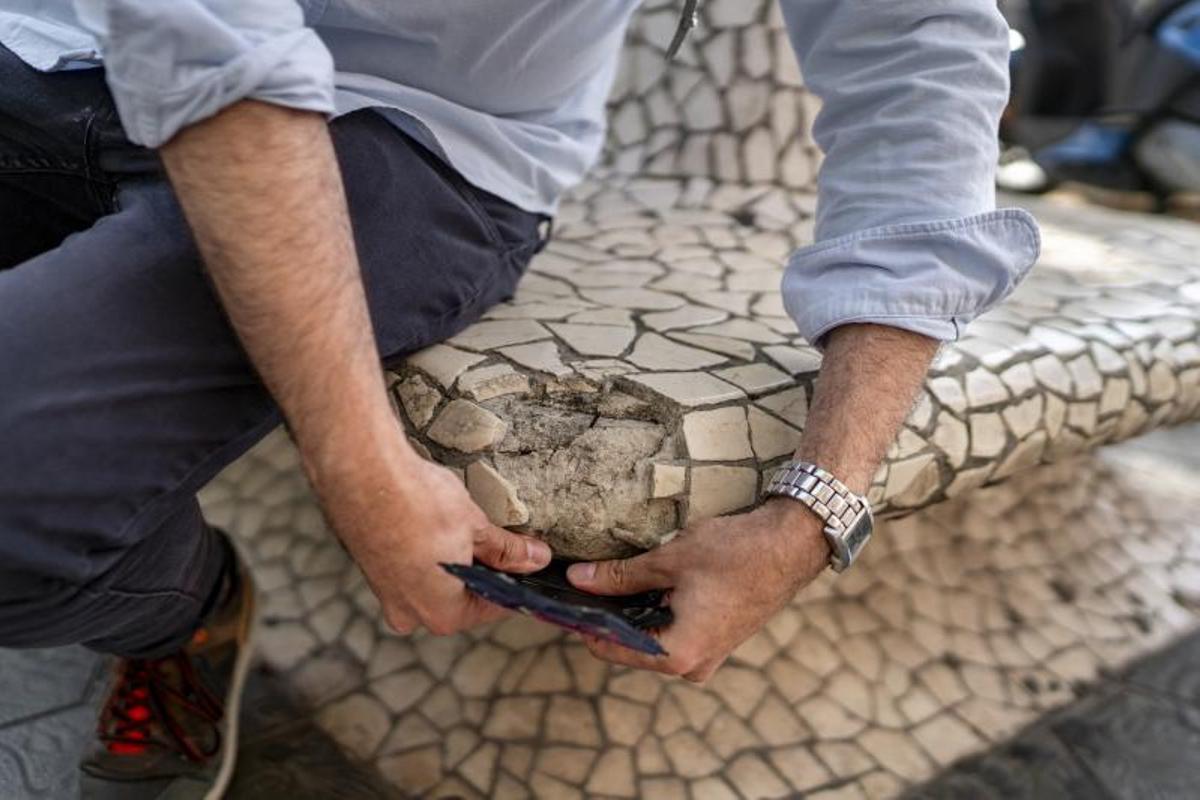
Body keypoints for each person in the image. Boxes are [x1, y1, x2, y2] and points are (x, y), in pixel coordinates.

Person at [0, 1, 1039, 797]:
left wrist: (820, 505)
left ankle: (185, 609)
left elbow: (918, 55)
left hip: (408, 135)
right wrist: (359, 462)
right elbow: (206, 39)